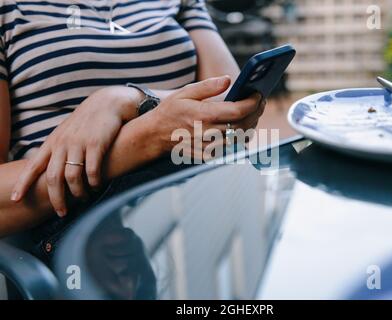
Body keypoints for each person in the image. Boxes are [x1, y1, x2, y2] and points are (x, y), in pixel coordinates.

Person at [0, 0, 266, 237]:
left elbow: (233, 107)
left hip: (193, 208)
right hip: (76, 235)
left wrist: (129, 100)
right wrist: (147, 136)